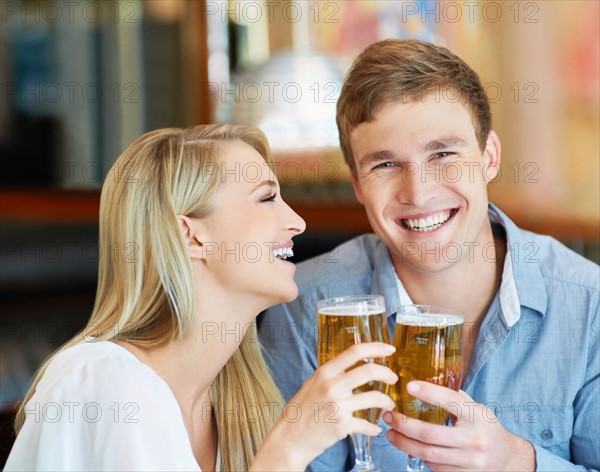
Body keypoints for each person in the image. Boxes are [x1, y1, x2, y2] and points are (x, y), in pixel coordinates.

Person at [259, 39, 599, 471]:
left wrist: (519, 462)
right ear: (358, 186)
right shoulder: (304, 310)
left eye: (442, 153)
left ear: (488, 157)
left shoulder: (589, 307)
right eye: (385, 165)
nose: (418, 192)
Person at [5, 124, 399, 471]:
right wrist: (286, 452)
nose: (297, 222)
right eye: (266, 198)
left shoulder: (234, 400)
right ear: (192, 237)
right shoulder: (107, 384)